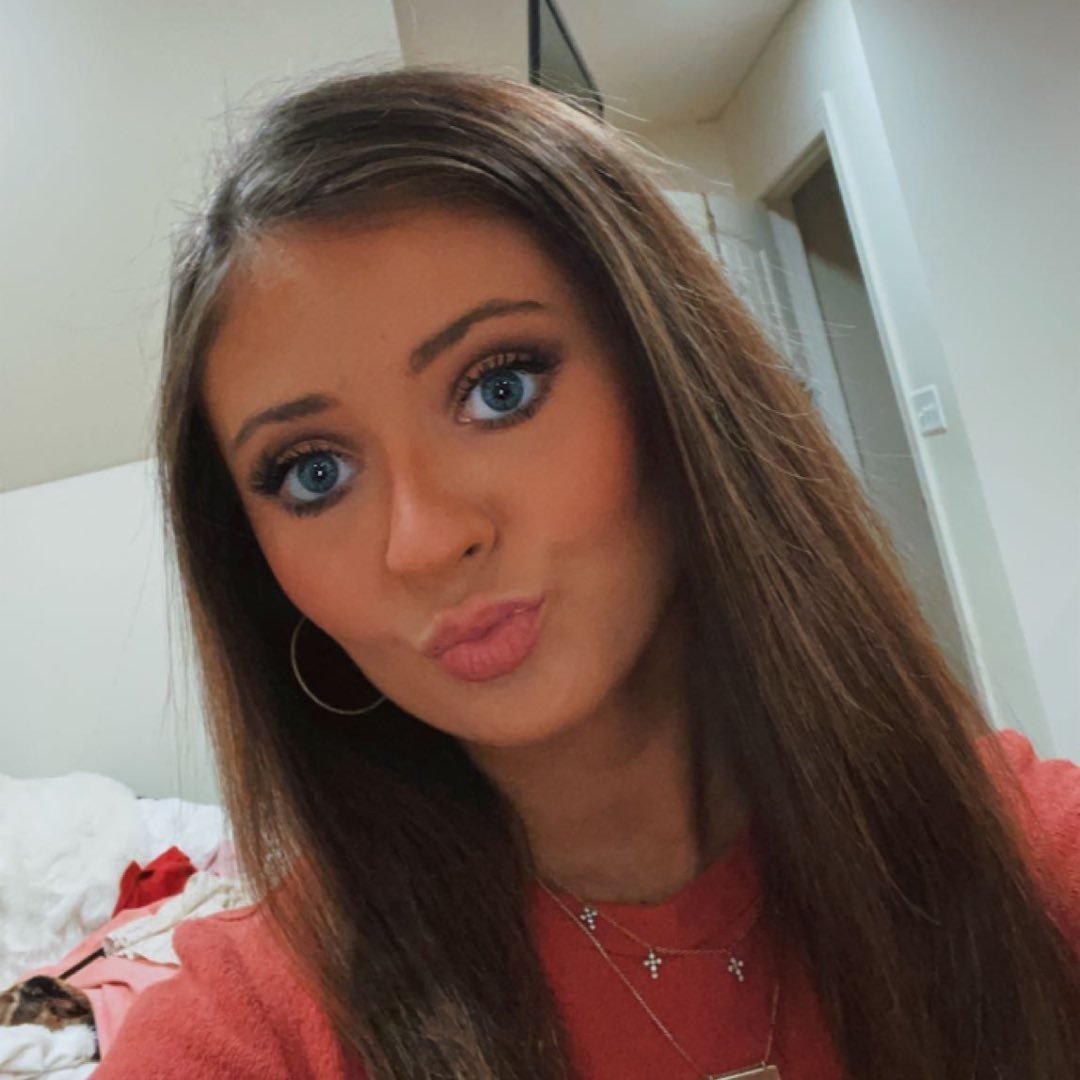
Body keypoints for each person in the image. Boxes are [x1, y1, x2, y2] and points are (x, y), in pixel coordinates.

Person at [94, 66, 1080, 1080]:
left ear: (673, 388)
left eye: (500, 389)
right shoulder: (257, 1028)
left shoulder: (1024, 860)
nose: (425, 541)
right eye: (315, 474)